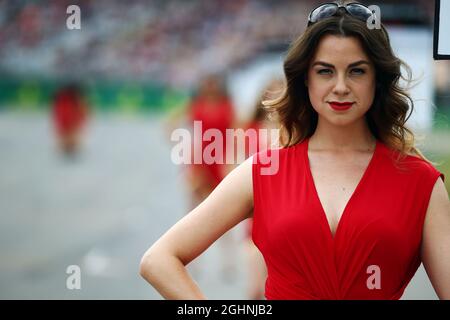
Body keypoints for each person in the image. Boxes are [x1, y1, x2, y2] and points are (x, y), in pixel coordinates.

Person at [140, 1, 450, 300]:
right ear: (305, 79)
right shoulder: (263, 171)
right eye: (325, 71)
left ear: (377, 80)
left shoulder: (421, 183)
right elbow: (159, 260)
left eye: (357, 71)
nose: (340, 86)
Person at [52, 83, 89, 157]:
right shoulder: (66, 102)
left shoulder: (64, 101)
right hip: (69, 118)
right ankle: (69, 147)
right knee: (69, 133)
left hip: (68, 118)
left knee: (68, 133)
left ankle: (69, 147)